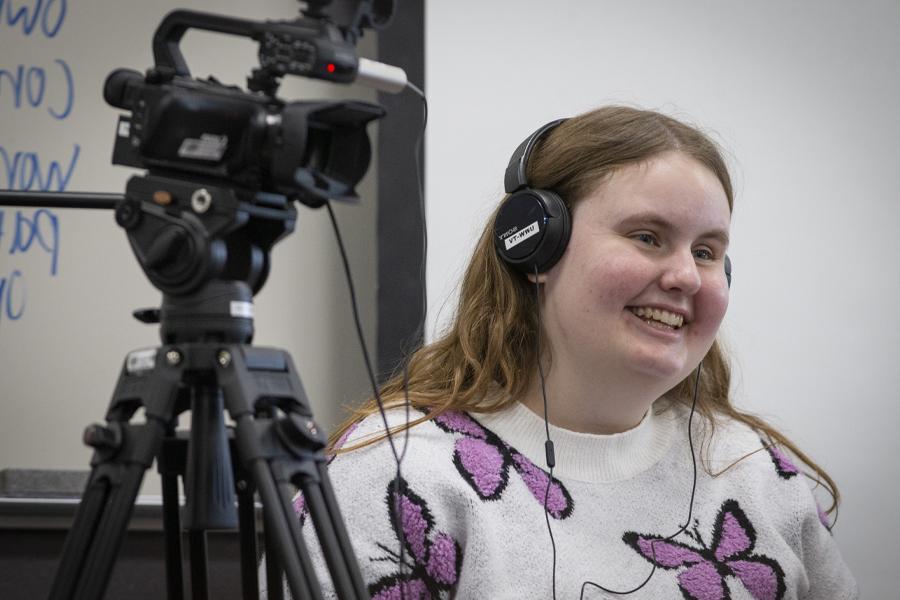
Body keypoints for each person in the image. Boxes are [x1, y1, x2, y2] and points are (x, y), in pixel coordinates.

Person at [272, 106, 858, 599]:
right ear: (536, 246)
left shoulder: (757, 474)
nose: (686, 276)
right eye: (647, 237)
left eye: (707, 252)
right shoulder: (396, 474)